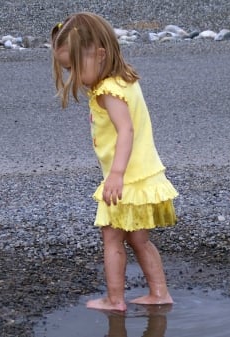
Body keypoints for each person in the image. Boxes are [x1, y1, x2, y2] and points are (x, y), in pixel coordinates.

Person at [51, 12, 178, 312]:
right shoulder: (124, 80)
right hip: (143, 175)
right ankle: (159, 293)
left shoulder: (109, 92)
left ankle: (114, 299)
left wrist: (116, 174)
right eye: (69, 69)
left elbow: (126, 131)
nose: (74, 76)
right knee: (139, 240)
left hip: (126, 180)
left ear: (100, 54)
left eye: (75, 68)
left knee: (111, 238)